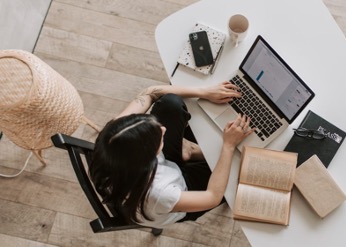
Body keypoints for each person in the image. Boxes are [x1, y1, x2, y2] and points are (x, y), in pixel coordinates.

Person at [89, 81, 254, 228]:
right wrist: (228, 146)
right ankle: (189, 152)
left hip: (155, 171)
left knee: (169, 103)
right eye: (158, 137)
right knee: (242, 169)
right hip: (181, 192)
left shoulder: (113, 136)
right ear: (148, 158)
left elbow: (150, 92)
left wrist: (204, 92)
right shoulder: (160, 194)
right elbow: (212, 197)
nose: (163, 129)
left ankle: (187, 151)